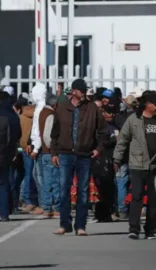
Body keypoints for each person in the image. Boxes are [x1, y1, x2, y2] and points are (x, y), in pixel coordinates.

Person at [50, 78, 109, 236]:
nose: (83, 93)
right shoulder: (62, 107)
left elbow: (104, 132)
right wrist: (54, 153)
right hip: (65, 154)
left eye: (85, 91)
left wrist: (98, 149)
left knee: (83, 191)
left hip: (85, 155)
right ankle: (64, 224)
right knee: (64, 190)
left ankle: (80, 226)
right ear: (73, 91)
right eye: (81, 91)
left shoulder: (92, 108)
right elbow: (54, 133)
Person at [113, 91, 156, 240]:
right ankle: (134, 229)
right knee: (136, 197)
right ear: (147, 104)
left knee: (153, 200)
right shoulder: (133, 120)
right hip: (137, 164)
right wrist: (117, 159)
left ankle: (150, 230)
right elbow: (122, 141)